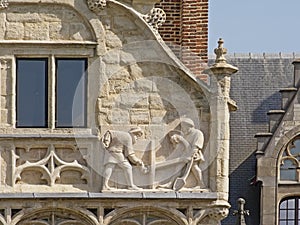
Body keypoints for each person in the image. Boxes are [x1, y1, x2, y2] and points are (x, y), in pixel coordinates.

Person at [180, 117, 205, 189]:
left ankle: (201, 184)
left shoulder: (198, 133)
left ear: (188, 126)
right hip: (185, 155)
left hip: (194, 154)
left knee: (194, 167)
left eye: (183, 127)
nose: (182, 129)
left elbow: (196, 146)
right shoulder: (186, 135)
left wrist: (190, 156)